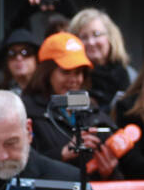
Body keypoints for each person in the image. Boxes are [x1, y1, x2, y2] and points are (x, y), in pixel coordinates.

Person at [20, 32, 120, 176]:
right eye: (66, 72)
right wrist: (62, 153)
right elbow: (20, 167)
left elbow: (124, 173)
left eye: (79, 72)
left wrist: (109, 172)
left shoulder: (92, 110)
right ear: (46, 73)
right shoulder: (27, 110)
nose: (74, 79)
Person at [68, 8, 136, 112]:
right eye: (83, 37)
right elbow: (69, 108)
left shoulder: (129, 76)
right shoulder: (73, 77)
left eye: (96, 34)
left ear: (110, 37)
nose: (91, 42)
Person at [0, 28, 39, 94]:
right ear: (6, 62)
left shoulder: (48, 92)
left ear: (37, 58)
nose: (19, 58)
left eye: (26, 52)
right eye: (12, 53)